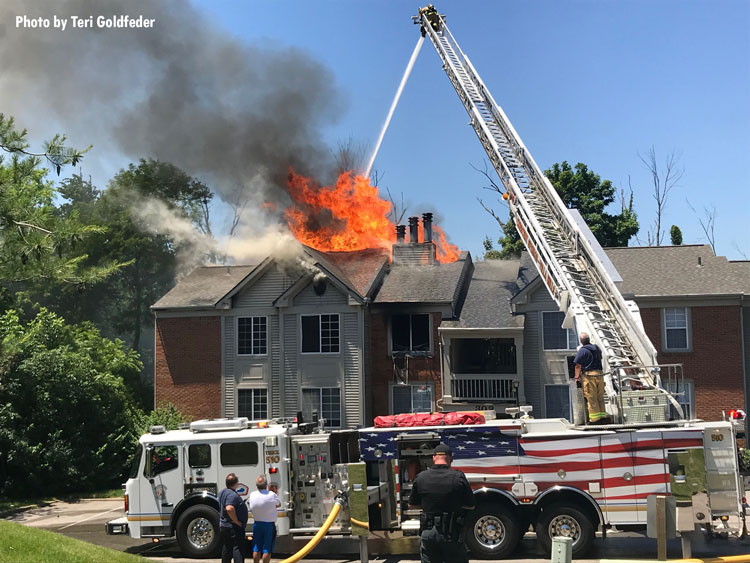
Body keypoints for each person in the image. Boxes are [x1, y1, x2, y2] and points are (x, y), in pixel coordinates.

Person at [408, 443, 475, 563]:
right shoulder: (458, 477)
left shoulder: (421, 477)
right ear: (450, 459)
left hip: (428, 533)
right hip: (451, 533)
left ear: (433, 458)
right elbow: (471, 504)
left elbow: (412, 504)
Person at [574, 332, 609, 425]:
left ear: (581, 341)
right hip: (600, 375)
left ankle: (595, 420)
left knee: (591, 397)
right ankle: (602, 417)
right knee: (600, 397)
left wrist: (577, 377)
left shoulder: (582, 351)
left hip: (590, 376)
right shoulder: (597, 349)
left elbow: (577, 366)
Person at [248, 475, 281, 563]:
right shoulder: (272, 495)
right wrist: (274, 493)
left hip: (257, 524)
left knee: (256, 548)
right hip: (269, 525)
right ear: (266, 484)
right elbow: (278, 504)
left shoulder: (252, 494)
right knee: (267, 548)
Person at [219, 473, 249, 563]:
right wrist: (236, 521)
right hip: (233, 527)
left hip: (224, 526)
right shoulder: (232, 495)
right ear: (236, 483)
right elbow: (229, 508)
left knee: (227, 548)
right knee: (238, 549)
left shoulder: (222, 492)